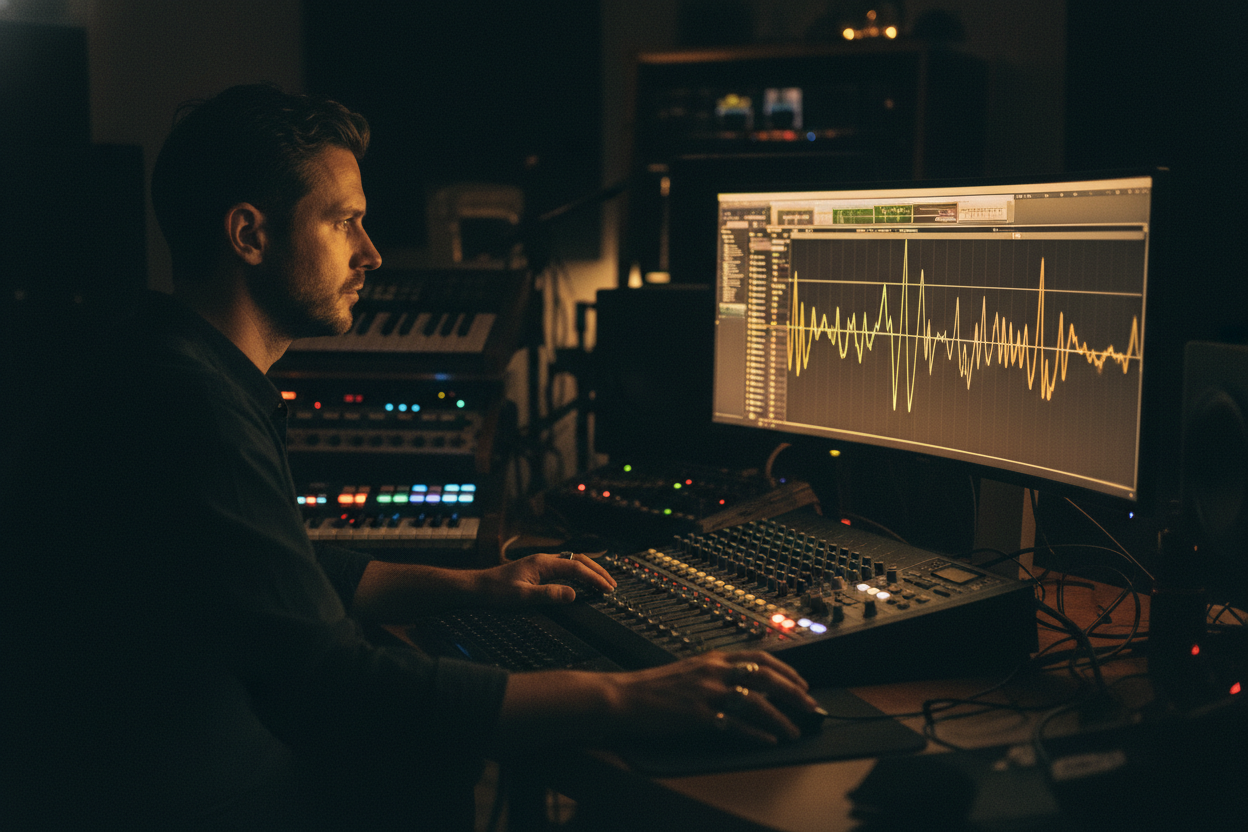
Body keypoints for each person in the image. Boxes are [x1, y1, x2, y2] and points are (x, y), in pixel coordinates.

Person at [1, 83, 821, 830]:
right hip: (176, 800)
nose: (372, 252)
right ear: (249, 235)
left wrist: (474, 586)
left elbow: (267, 574)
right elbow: (330, 685)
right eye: (342, 221)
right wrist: (630, 695)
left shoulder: (169, 359)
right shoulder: (190, 405)